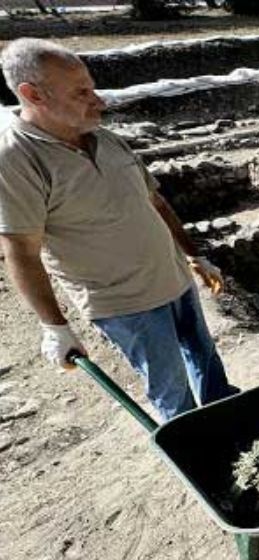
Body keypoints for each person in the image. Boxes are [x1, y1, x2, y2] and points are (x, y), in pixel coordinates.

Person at [0, 39, 235, 421]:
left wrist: (194, 254)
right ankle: (200, 452)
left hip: (173, 279)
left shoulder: (105, 139)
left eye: (92, 88)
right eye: (81, 92)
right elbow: (21, 252)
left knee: (205, 358)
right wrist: (54, 326)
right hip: (126, 304)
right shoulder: (16, 160)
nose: (100, 101)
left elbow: (155, 202)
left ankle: (228, 415)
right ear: (32, 94)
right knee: (171, 389)